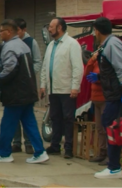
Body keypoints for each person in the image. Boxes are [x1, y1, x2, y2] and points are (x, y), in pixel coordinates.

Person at [88, 17, 122, 179]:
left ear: (97, 31)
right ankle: (115, 165)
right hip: (114, 92)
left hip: (118, 93)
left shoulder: (112, 45)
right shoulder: (108, 45)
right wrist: (99, 78)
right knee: (112, 124)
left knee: (109, 124)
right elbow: (112, 71)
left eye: (94, 31)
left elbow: (121, 69)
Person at [0, 19, 49, 164]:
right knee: (30, 123)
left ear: (9, 32)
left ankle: (4, 154)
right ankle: (40, 152)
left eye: (1, 31)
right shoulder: (22, 45)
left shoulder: (9, 47)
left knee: (7, 124)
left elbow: (9, 69)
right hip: (27, 92)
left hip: (16, 93)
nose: (0, 33)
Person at [40, 17, 83, 159]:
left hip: (67, 89)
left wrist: (75, 87)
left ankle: (69, 148)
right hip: (54, 89)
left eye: (51, 27)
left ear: (59, 28)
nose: (49, 29)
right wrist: (43, 85)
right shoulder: (51, 45)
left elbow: (78, 67)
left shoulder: (72, 44)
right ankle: (55, 145)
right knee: (55, 117)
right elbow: (45, 66)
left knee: (68, 118)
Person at [12, 18, 43, 154]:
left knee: (27, 115)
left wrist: (29, 74)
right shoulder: (10, 43)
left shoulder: (31, 42)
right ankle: (16, 143)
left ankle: (29, 143)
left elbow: (37, 61)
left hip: (27, 85)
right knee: (14, 115)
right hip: (13, 85)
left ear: (24, 30)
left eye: (17, 30)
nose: (15, 32)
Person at [83, 47, 107, 164]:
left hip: (105, 98)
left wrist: (98, 79)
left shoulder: (106, 62)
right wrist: (92, 60)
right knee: (99, 127)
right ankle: (102, 152)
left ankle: (109, 154)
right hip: (95, 99)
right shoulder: (96, 61)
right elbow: (87, 73)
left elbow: (108, 78)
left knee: (106, 127)